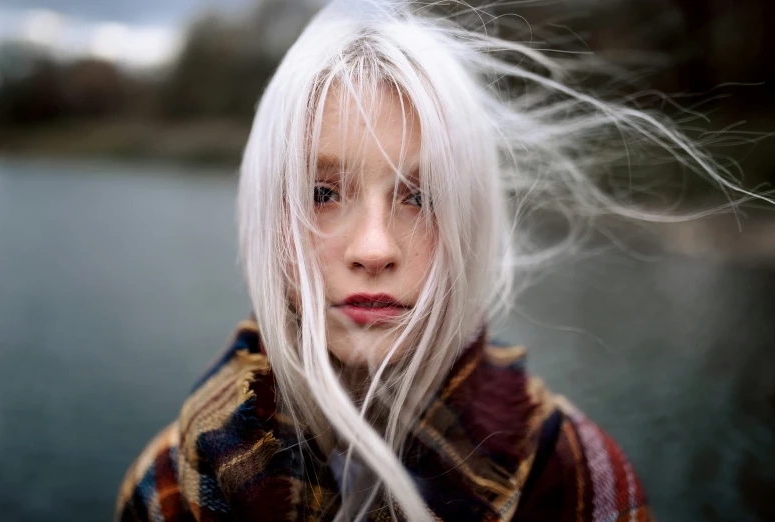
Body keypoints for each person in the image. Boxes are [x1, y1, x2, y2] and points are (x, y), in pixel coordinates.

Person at [115, 1, 756, 520]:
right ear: (265, 212)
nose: (374, 249)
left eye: (420, 196)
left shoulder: (576, 476)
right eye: (321, 193)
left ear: (469, 218)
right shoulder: (174, 483)